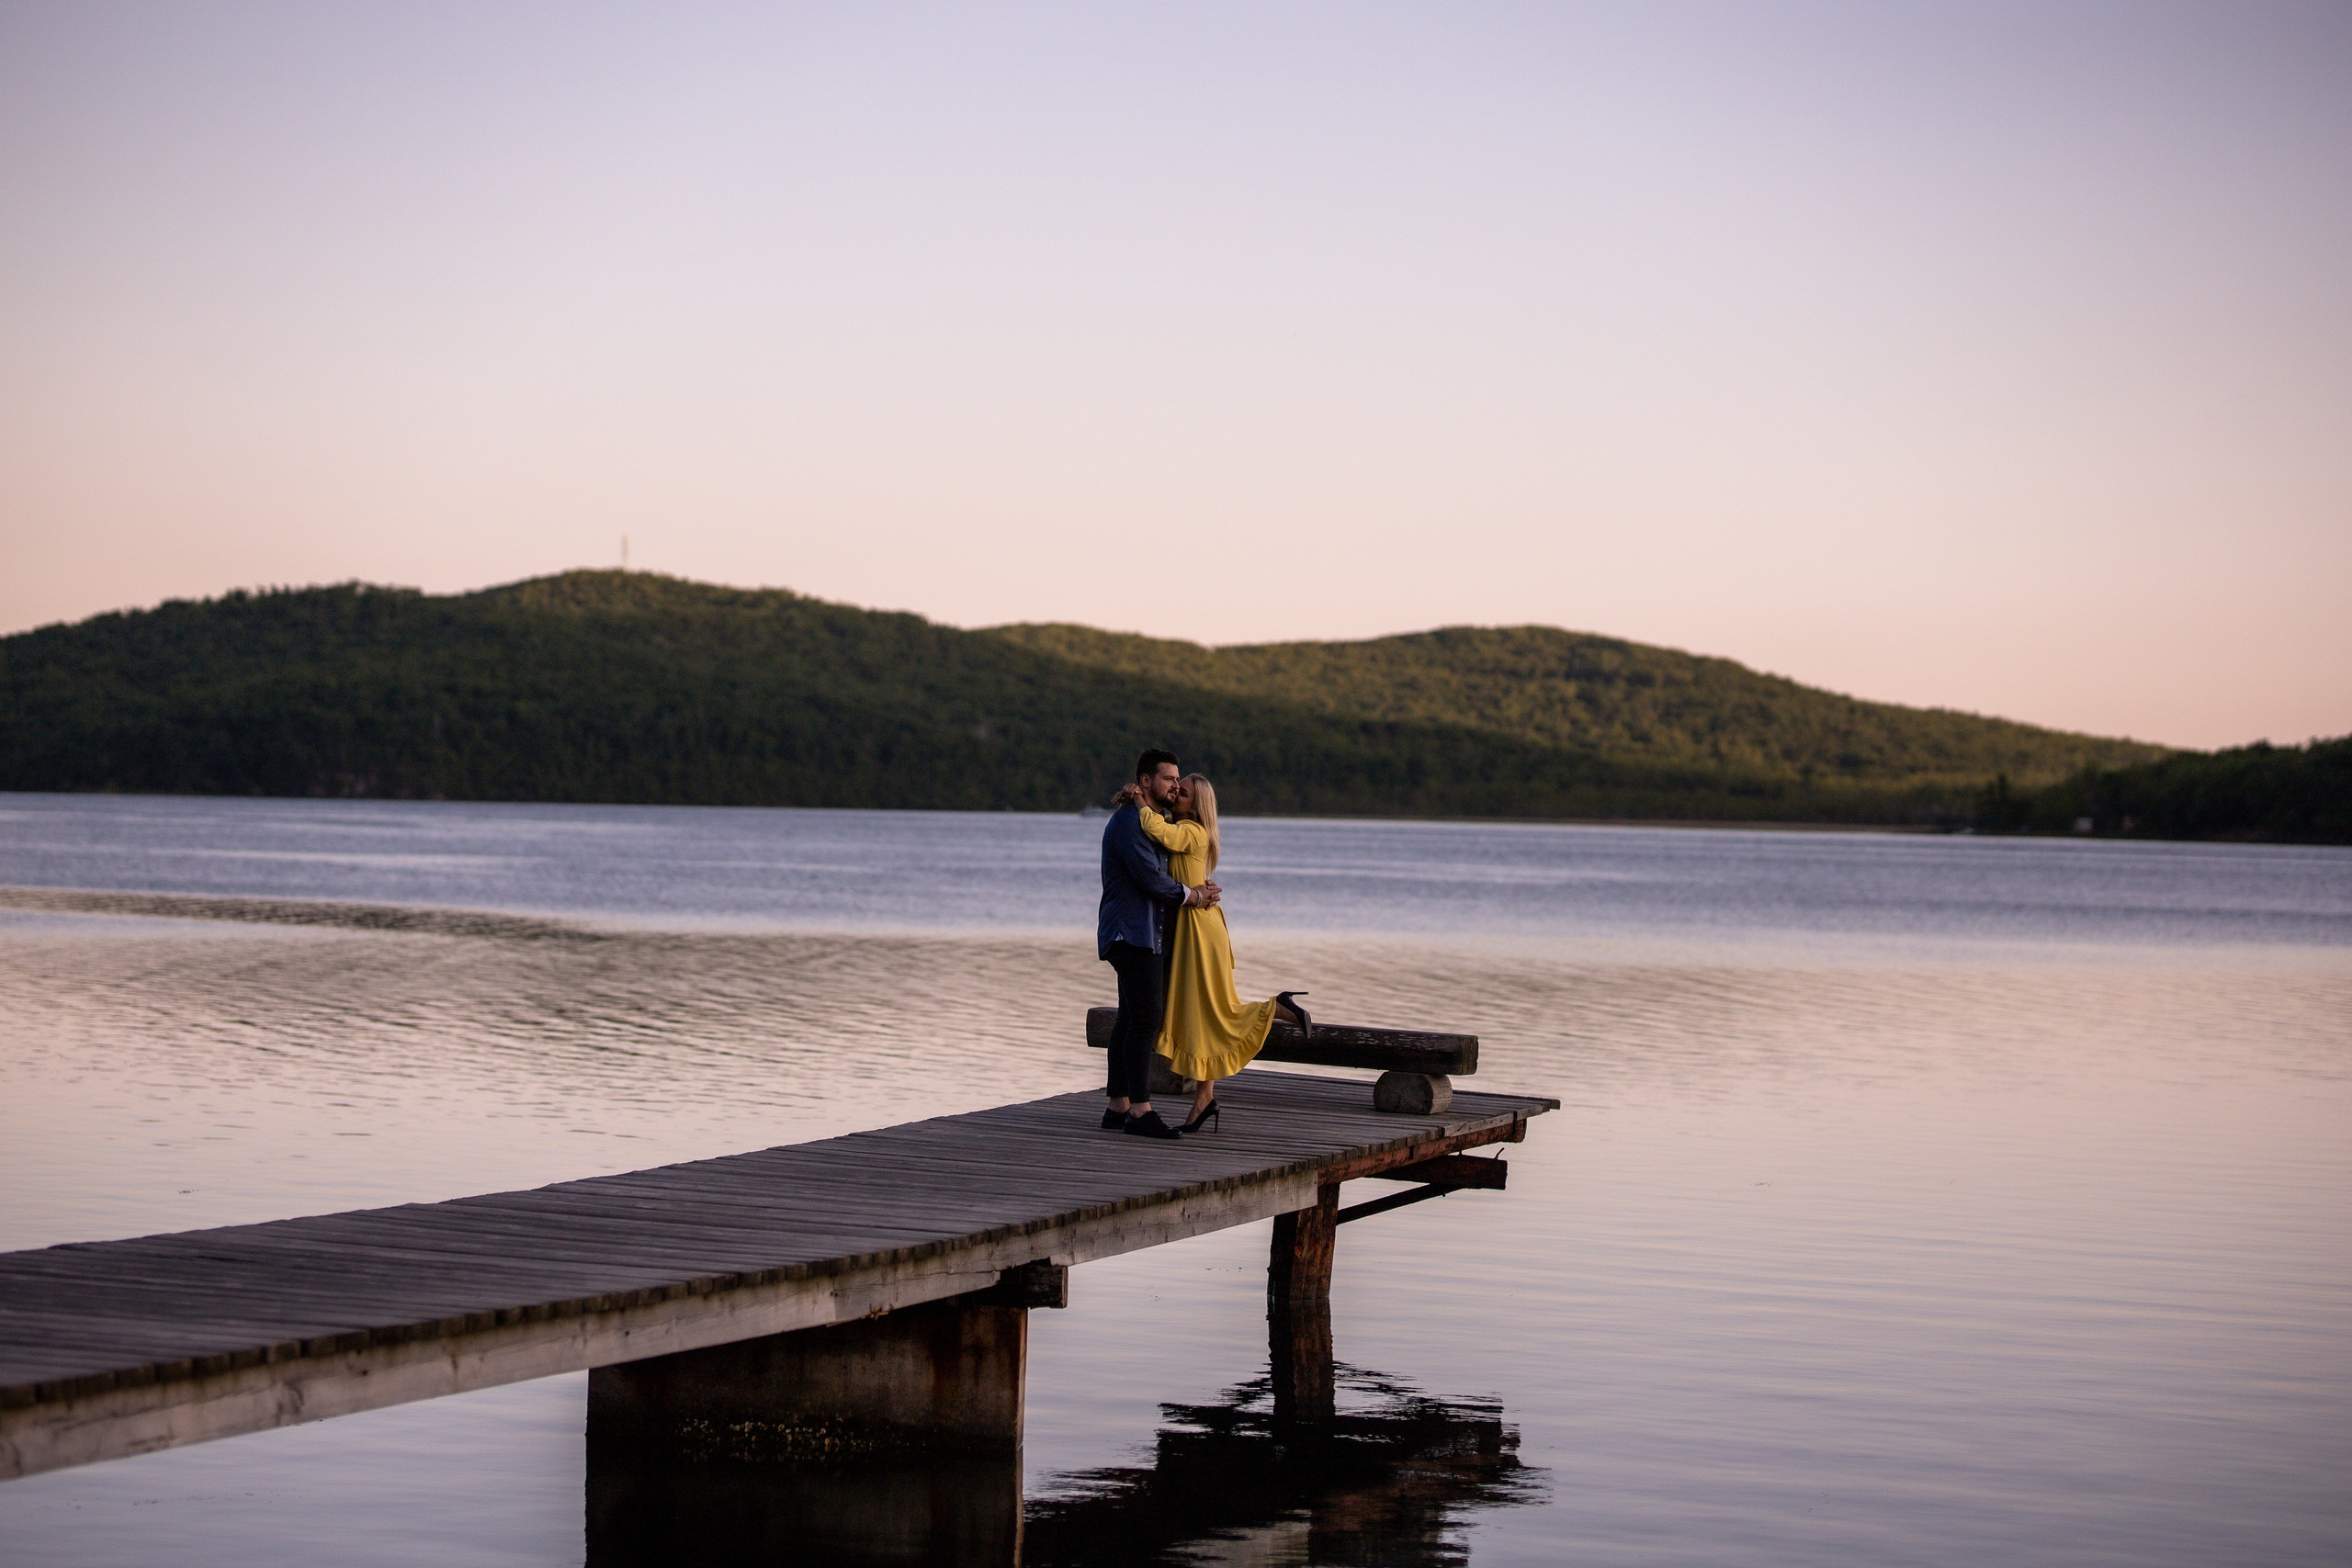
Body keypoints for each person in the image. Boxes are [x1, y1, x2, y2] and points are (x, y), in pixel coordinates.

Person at [1117, 772, 1311, 1134]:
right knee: (1204, 1011)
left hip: (1199, 931)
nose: (1176, 793)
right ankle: (1204, 1099)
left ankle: (1276, 1008)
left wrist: (1140, 801)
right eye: (1176, 788)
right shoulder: (1186, 829)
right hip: (1195, 928)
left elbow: (1157, 831)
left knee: (1213, 1008)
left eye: (1184, 792)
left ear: (1196, 803)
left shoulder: (1192, 831)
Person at [1098, 749, 1221, 1139]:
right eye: (1169, 779)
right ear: (1147, 781)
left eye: (1178, 780)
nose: (1174, 785)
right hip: (1131, 934)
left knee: (1129, 1018)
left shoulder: (1153, 821)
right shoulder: (1130, 824)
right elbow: (1151, 880)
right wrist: (1194, 896)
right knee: (1146, 1019)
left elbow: (1176, 853)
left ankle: (1117, 1107)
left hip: (1141, 933)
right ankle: (1140, 1111)